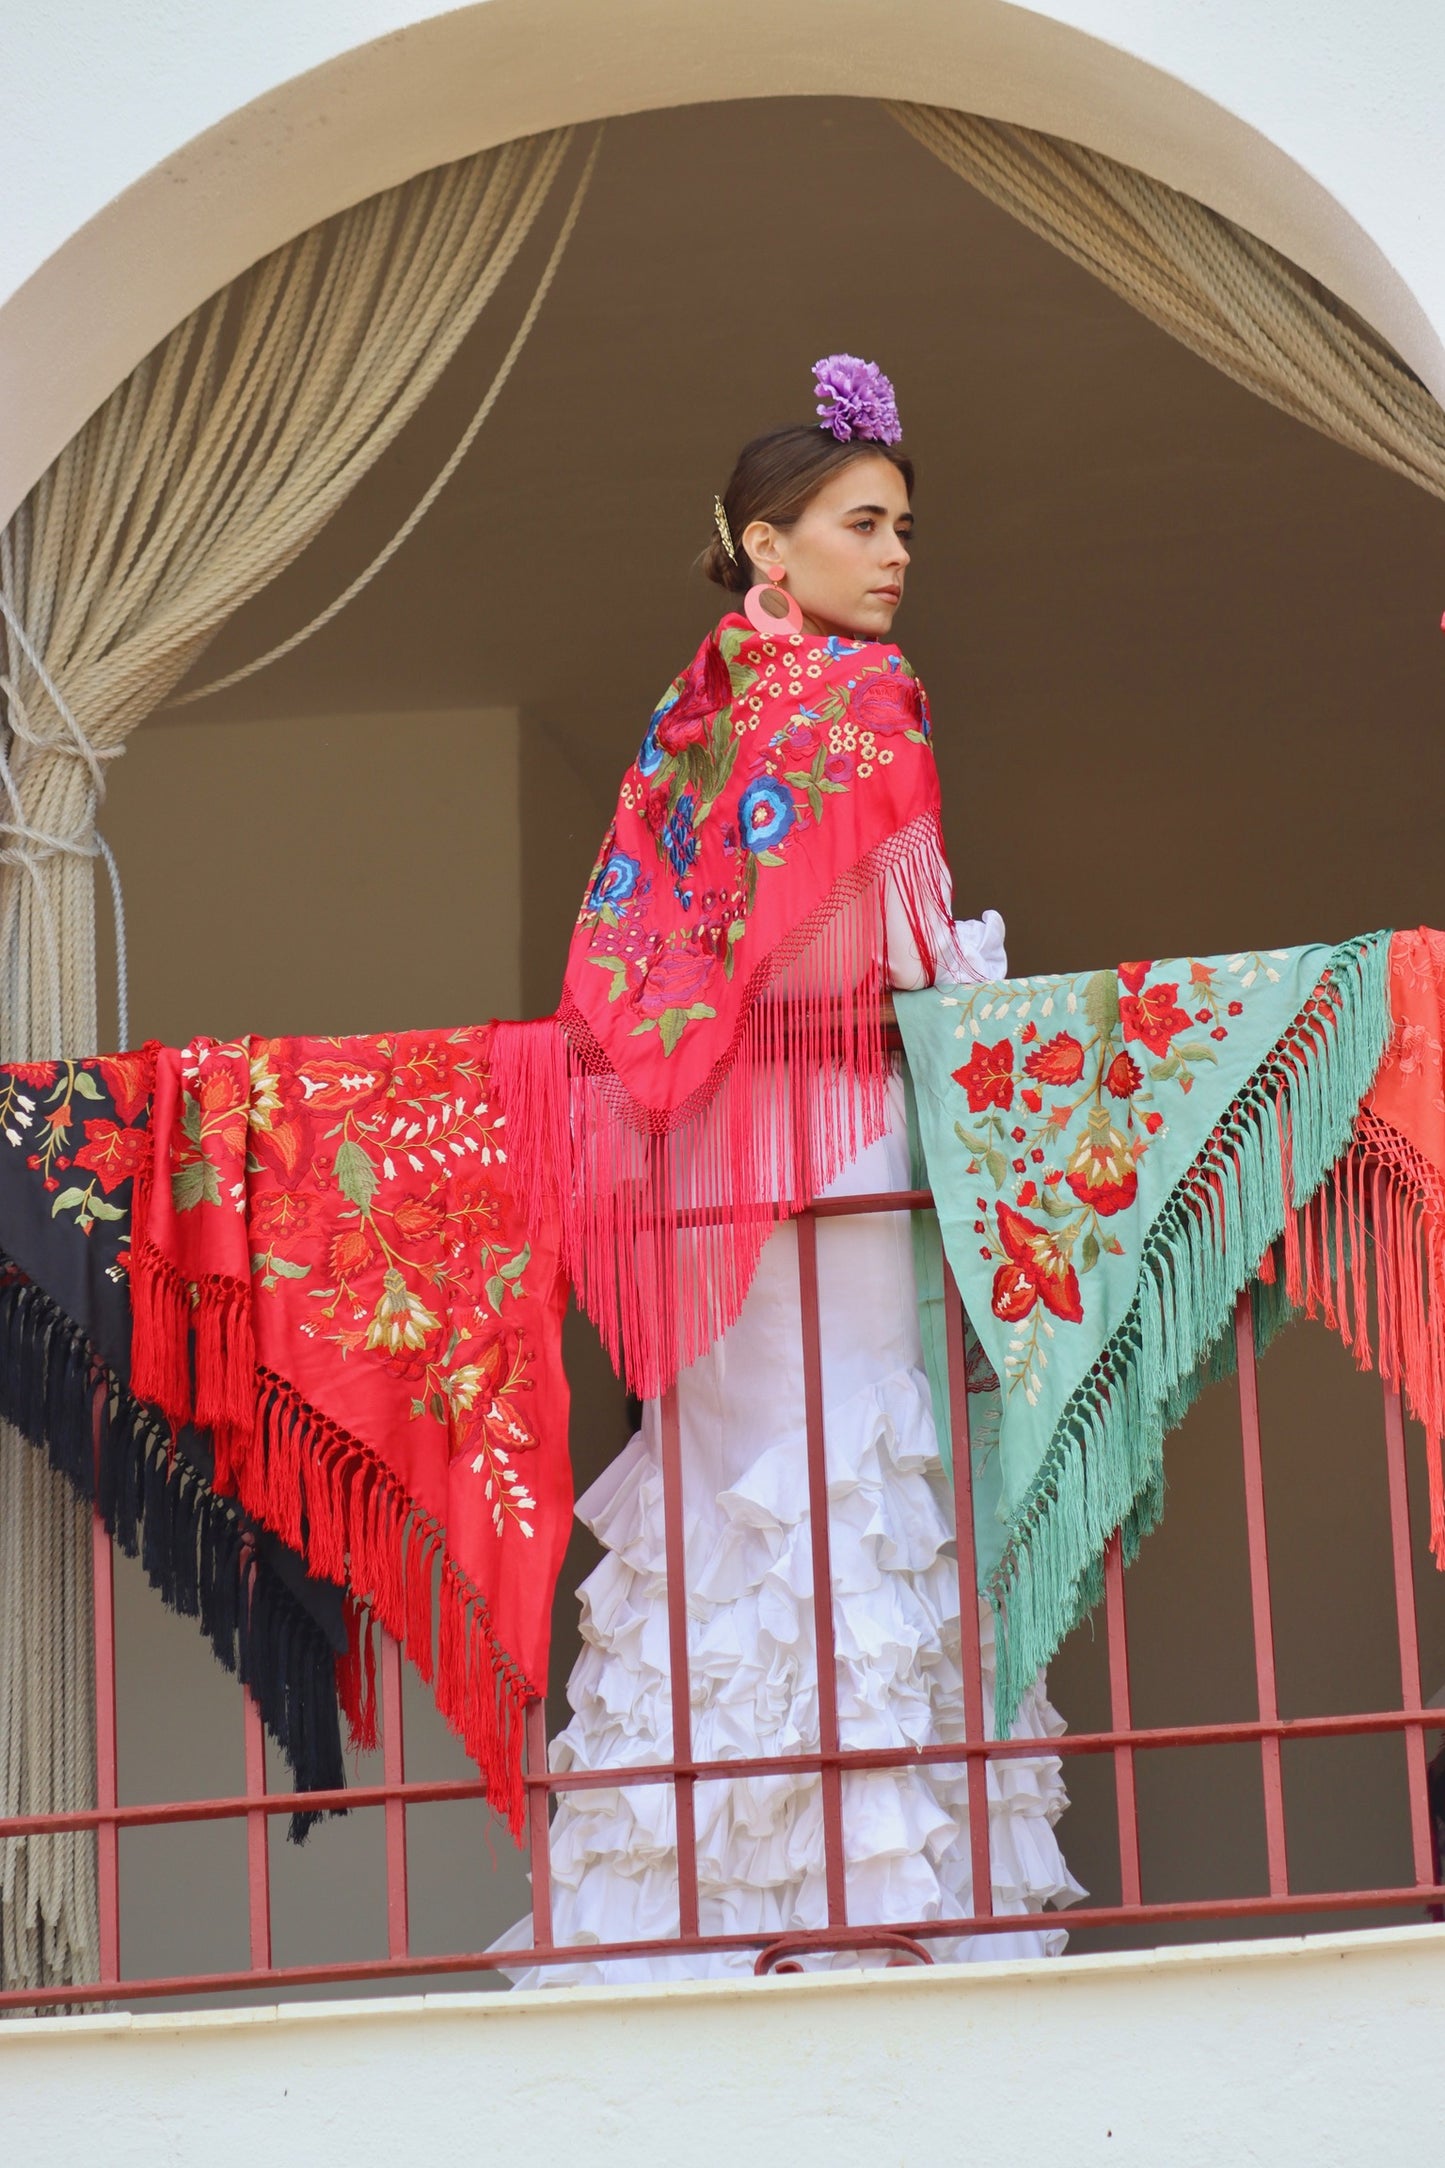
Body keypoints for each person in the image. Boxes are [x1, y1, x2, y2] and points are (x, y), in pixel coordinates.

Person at [497, 358, 1081, 1983]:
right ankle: (868, 1880)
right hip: (833, 1139)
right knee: (853, 1470)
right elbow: (901, 950)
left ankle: (684, 1901)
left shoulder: (691, 713)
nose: (895, 556)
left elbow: (639, 953)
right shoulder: (866, 701)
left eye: (902, 528)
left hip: (703, 1156)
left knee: (727, 1484)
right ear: (770, 547)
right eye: (863, 523)